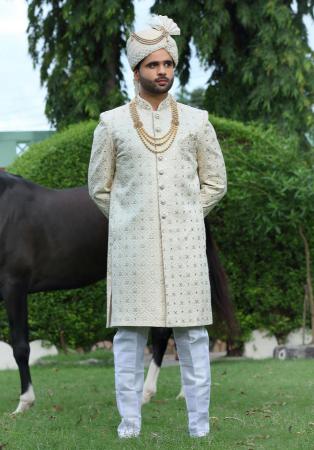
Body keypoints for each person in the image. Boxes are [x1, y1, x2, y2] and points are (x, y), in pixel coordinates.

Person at [88, 15, 227, 439]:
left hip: (186, 247)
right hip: (133, 249)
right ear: (136, 71)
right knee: (129, 337)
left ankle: (199, 429)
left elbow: (216, 182)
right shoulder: (111, 124)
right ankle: (129, 426)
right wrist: (134, 220)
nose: (162, 71)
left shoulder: (198, 121)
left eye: (167, 63)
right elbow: (99, 187)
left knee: (194, 338)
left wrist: (185, 215)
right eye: (153, 65)